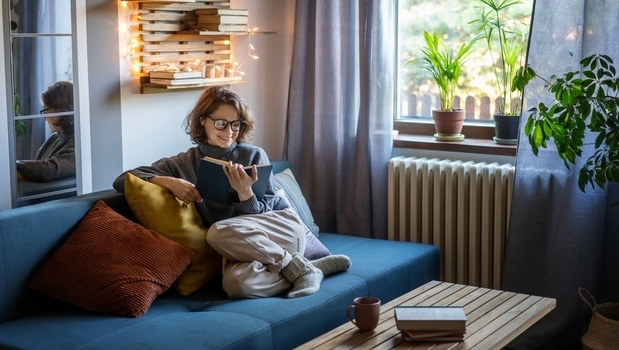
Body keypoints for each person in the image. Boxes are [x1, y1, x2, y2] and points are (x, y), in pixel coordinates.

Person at [113, 86, 350, 299]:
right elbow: (123, 180)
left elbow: (270, 209)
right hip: (242, 249)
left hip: (281, 231)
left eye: (236, 124)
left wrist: (246, 194)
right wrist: (167, 181)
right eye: (221, 124)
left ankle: (298, 267)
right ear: (203, 121)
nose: (229, 131)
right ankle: (308, 269)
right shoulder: (184, 164)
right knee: (236, 286)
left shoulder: (254, 155)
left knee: (216, 232)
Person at [16, 81, 76, 182]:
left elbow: (47, 170)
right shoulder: (55, 138)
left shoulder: (78, 143)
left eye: (46, 111)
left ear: (61, 110)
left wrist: (11, 165)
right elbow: (37, 165)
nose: (44, 118)